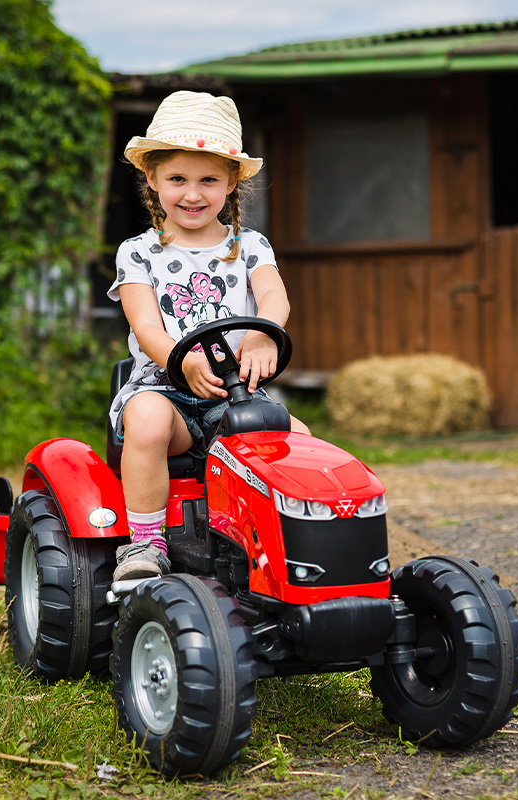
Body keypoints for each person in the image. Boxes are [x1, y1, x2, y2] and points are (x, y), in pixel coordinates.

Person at [108, 90, 309, 581]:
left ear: (231, 183)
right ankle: (145, 545)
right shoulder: (138, 252)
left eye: (208, 180)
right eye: (177, 178)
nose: (192, 193)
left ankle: (298, 546)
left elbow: (274, 298)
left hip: (231, 392)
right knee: (150, 419)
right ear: (152, 179)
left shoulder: (249, 245)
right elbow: (146, 327)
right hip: (164, 390)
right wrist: (182, 362)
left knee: (300, 440)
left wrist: (266, 336)